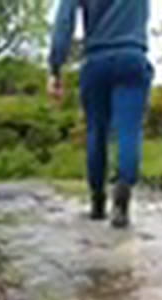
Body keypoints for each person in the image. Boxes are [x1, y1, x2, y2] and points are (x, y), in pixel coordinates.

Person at [48, 0, 153, 229]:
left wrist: (56, 68)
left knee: (96, 131)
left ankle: (97, 202)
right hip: (132, 56)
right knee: (129, 130)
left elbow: (64, 21)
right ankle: (123, 193)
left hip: (96, 61)